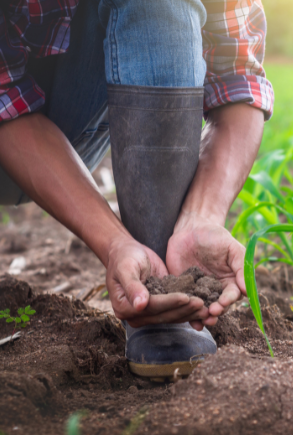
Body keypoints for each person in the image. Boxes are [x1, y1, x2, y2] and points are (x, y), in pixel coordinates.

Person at [0, 0, 273, 379]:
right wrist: (110, 241)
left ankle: (157, 283)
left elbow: (239, 80)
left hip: (65, 118)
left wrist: (202, 215)